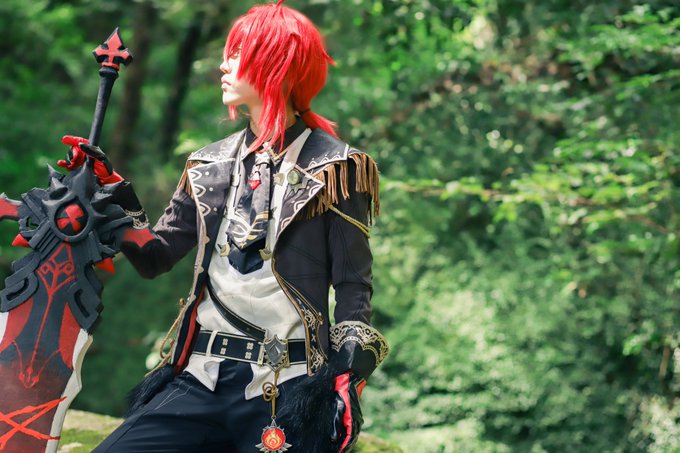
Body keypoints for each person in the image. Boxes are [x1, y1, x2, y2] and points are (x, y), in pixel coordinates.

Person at [60, 1, 388, 451]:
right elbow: (155, 258)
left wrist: (346, 380)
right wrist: (114, 191)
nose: (223, 65)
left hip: (287, 388)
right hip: (199, 379)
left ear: (274, 63)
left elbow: (354, 288)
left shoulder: (336, 169)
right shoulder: (208, 164)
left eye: (236, 54)